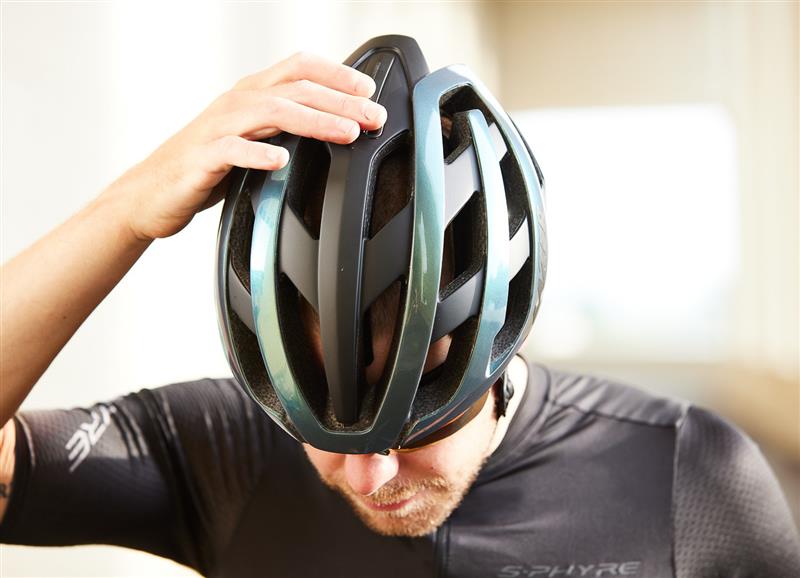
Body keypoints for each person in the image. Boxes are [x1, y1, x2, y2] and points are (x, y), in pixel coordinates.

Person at [1, 35, 798, 578]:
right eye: (319, 429)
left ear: (498, 336)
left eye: (420, 424)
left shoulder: (688, 474)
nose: (370, 474)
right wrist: (125, 213)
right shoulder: (222, 452)